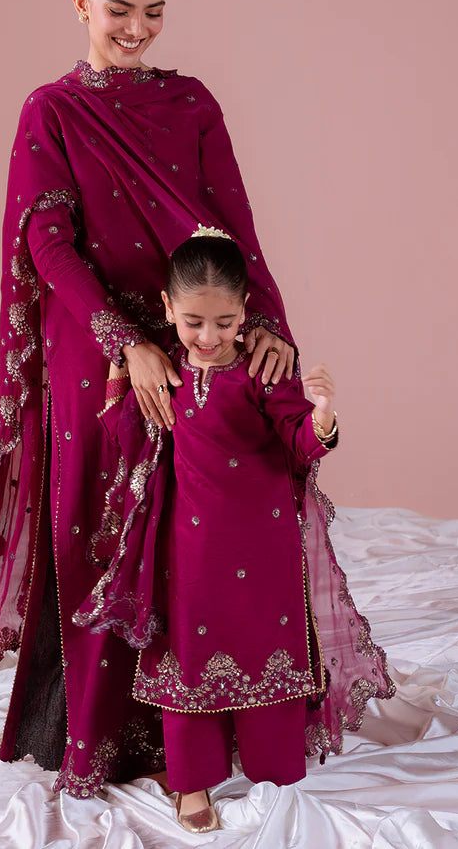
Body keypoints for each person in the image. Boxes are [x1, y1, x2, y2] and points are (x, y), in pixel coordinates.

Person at [0, 0, 300, 797]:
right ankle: (103, 731)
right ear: (81, 4)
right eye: (119, 10)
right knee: (98, 527)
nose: (136, 28)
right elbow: (47, 242)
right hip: (96, 345)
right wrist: (122, 340)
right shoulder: (52, 110)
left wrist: (264, 323)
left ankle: (216, 719)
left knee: (206, 526)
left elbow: (232, 224)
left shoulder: (190, 102)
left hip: (194, 328)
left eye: (153, 11)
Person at [74, 231, 395, 832]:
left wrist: (323, 417)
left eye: (224, 322)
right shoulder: (165, 374)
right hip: (188, 548)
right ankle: (191, 782)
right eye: (193, 321)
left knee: (267, 646)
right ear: (168, 308)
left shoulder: (262, 372)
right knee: (189, 651)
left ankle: (272, 764)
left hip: (266, 545)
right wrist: (121, 373)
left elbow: (299, 440)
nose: (209, 336)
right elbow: (127, 435)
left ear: (245, 309)